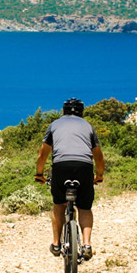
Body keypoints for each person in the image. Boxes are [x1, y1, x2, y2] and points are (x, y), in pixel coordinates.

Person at [35, 98, 105, 261]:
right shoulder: (88, 126)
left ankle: (56, 243)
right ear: (82, 112)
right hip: (84, 167)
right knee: (85, 207)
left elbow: (42, 154)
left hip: (61, 166)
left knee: (59, 204)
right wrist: (99, 175)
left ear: (63, 111)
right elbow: (98, 156)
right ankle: (86, 245)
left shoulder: (54, 125)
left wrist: (39, 174)